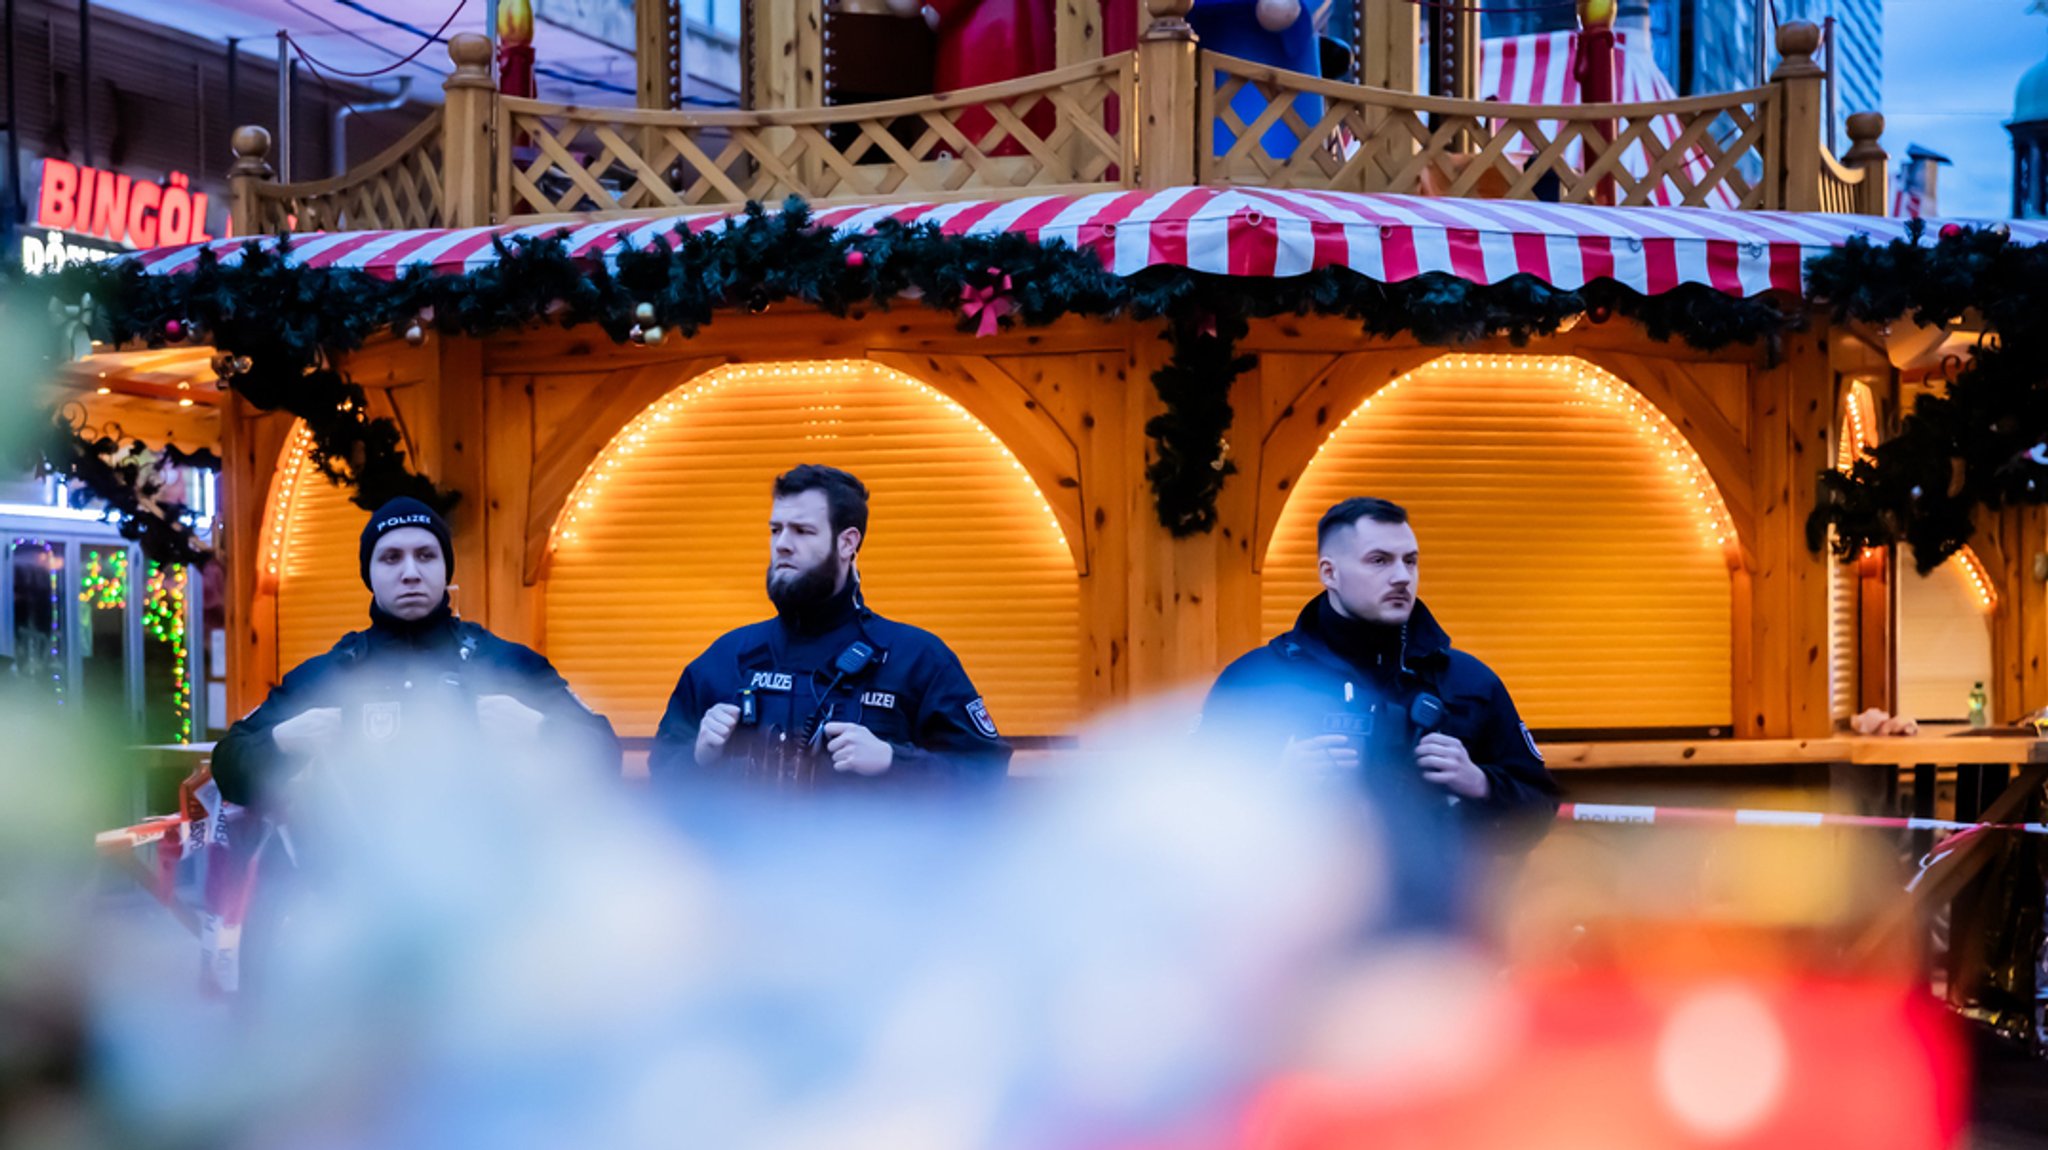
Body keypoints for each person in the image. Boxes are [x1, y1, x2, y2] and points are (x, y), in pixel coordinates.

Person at [1201, 497, 1559, 924]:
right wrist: (1277, 783)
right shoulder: (1257, 682)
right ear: (1328, 572)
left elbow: (1537, 813)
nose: (1401, 577)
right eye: (1379, 561)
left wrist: (1480, 783)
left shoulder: (1468, 682)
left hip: (1435, 938)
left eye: (1410, 561)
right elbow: (1190, 823)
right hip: (1295, 937)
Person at [212, 497, 622, 808]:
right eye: (391, 558)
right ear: (369, 575)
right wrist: (283, 741)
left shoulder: (506, 665)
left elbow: (604, 756)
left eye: (426, 555)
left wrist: (538, 730)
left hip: (495, 899)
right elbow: (227, 768)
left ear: (446, 569)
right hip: (353, 898)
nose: (410, 572)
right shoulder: (330, 675)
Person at [650, 464, 1011, 791]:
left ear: (847, 542)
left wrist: (893, 761)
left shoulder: (916, 659)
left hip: (871, 863)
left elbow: (984, 776)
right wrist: (697, 758)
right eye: (776, 530)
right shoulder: (727, 658)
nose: (783, 545)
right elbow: (663, 774)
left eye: (803, 531)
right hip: (746, 861)